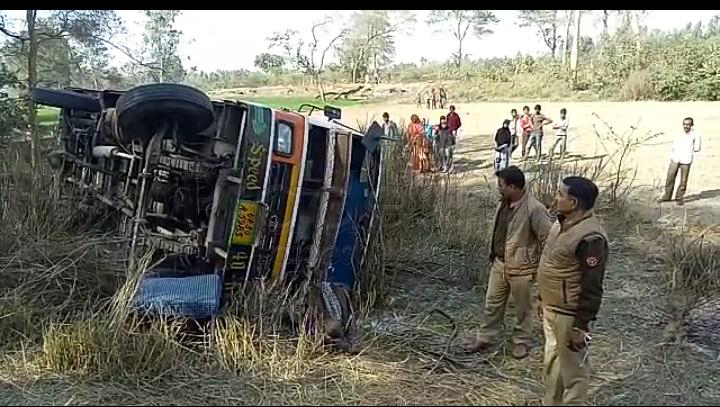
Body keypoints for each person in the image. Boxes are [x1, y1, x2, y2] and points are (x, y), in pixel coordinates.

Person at [536, 176, 609, 406]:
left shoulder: (591, 238)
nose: (556, 198)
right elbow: (552, 266)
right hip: (552, 308)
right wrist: (542, 297)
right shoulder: (561, 223)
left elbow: (592, 286)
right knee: (553, 365)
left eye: (560, 194)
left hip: (569, 315)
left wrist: (581, 325)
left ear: (574, 202)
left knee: (574, 375)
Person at [468, 166, 552, 359]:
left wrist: (537, 265)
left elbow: (548, 239)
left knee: (522, 308)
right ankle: (485, 337)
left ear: (513, 187)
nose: (498, 188)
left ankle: (521, 341)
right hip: (500, 263)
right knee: (492, 303)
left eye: (501, 185)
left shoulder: (535, 209)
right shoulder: (504, 203)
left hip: (522, 269)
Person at [658, 117, 702, 206]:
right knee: (670, 177)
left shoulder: (696, 135)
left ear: (691, 125)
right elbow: (673, 144)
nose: (686, 126)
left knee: (683, 180)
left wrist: (688, 150)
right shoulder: (678, 133)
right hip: (675, 158)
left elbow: (697, 148)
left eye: (688, 124)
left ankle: (679, 197)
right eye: (684, 124)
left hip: (686, 159)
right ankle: (667, 196)